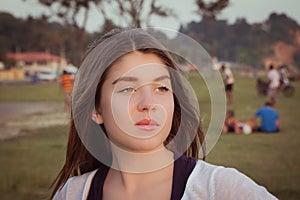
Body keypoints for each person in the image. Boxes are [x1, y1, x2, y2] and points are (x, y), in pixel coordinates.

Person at [51, 28, 277, 199]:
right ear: (96, 109)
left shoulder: (221, 189)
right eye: (128, 89)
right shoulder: (72, 193)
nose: (149, 104)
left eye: (161, 88)